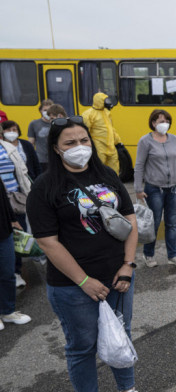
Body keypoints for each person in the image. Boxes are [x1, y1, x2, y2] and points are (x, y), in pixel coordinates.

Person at [26, 116, 138, 392]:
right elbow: (48, 242)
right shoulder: (44, 186)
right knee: (82, 347)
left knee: (120, 335)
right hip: (72, 287)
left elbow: (130, 218)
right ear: (56, 148)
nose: (80, 146)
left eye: (84, 140)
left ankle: (128, 388)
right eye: (71, 142)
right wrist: (83, 281)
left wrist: (128, 264)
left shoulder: (106, 175)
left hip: (118, 278)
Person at [134, 109, 176, 268]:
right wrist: (138, 189)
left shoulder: (174, 139)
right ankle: (148, 254)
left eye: (166, 121)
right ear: (153, 123)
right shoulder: (145, 141)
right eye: (161, 121)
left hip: (174, 188)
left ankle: (173, 255)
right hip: (154, 189)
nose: (164, 124)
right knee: (154, 223)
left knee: (171, 223)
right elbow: (139, 166)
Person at [1, 121, 38, 288]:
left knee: (17, 236)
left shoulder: (7, 148)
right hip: (1, 203)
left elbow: (22, 172)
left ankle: (16, 271)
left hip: (15, 199)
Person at [0, 179, 31, 331]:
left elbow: (3, 197)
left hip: (3, 231)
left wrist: (12, 220)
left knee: (7, 273)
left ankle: (8, 311)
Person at [82, 92, 122, 174]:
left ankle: (114, 185)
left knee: (114, 169)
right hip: (98, 147)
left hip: (110, 146)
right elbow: (85, 132)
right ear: (99, 101)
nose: (107, 102)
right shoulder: (88, 114)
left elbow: (111, 129)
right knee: (98, 169)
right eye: (105, 100)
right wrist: (88, 146)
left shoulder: (107, 112)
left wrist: (118, 142)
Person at [27, 99, 53, 173]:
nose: (47, 112)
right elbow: (31, 142)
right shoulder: (34, 124)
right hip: (41, 160)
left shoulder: (57, 123)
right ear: (40, 111)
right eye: (45, 110)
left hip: (55, 159)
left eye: (50, 110)